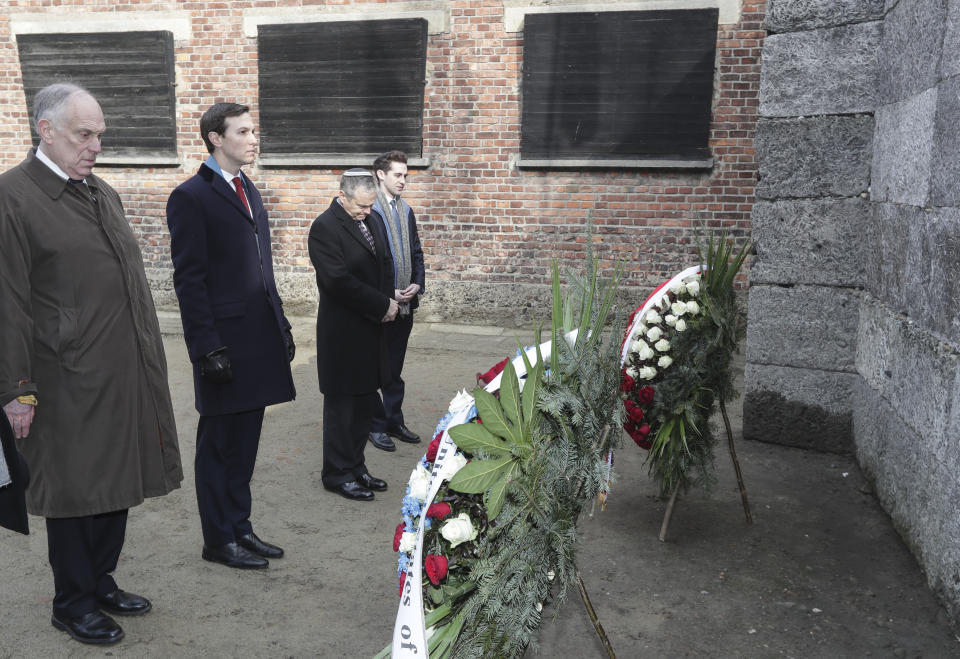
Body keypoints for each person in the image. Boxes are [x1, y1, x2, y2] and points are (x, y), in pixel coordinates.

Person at [0, 83, 183, 645]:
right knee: (76, 492)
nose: (96, 144)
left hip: (121, 370)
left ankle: (101, 581)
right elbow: (7, 300)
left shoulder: (99, 191)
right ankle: (71, 601)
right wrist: (16, 388)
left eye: (100, 133)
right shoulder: (13, 197)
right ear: (45, 130)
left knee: (117, 480)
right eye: (85, 134)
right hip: (63, 377)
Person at [166, 103, 296, 569]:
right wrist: (206, 347)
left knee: (245, 444)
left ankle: (240, 527)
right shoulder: (190, 197)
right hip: (222, 344)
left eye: (253, 130)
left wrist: (280, 323)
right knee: (218, 445)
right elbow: (190, 281)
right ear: (215, 139)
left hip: (257, 339)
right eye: (243, 131)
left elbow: (263, 269)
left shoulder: (247, 188)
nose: (253, 138)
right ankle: (217, 539)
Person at [309, 169, 396, 501]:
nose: (368, 212)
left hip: (371, 329)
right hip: (343, 334)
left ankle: (356, 465)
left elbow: (383, 262)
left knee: (363, 405)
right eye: (361, 206)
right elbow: (337, 281)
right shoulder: (324, 228)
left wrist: (389, 301)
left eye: (371, 206)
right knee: (341, 408)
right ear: (342, 196)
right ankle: (336, 472)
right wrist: (380, 304)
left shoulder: (370, 220)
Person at [367, 151, 426, 452]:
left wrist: (418, 282)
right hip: (381, 304)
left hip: (405, 304)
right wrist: (388, 292)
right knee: (376, 369)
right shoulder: (368, 210)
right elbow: (367, 261)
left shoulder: (406, 211)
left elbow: (416, 251)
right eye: (397, 175)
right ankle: (374, 425)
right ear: (380, 175)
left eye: (405, 175)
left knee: (394, 368)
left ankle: (393, 420)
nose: (403, 180)